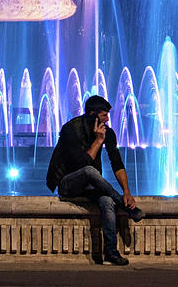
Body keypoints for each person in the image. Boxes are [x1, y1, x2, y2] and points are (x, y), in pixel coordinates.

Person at [46, 94, 145, 265]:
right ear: (92, 114)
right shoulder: (71, 129)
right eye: (104, 115)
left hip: (90, 183)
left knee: (107, 202)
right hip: (68, 183)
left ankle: (111, 253)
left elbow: (117, 162)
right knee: (89, 170)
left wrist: (127, 192)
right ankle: (122, 204)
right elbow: (81, 165)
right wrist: (98, 141)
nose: (107, 119)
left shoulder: (108, 132)